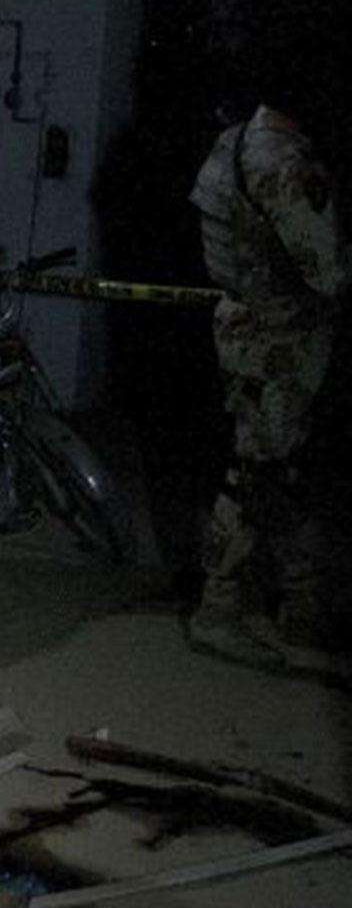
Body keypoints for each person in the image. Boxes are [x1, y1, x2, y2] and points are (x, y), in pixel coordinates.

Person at [186, 65, 344, 669]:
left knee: (280, 467)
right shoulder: (283, 161)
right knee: (257, 472)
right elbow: (326, 270)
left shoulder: (234, 142)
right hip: (278, 337)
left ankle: (300, 603)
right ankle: (218, 610)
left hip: (249, 325)